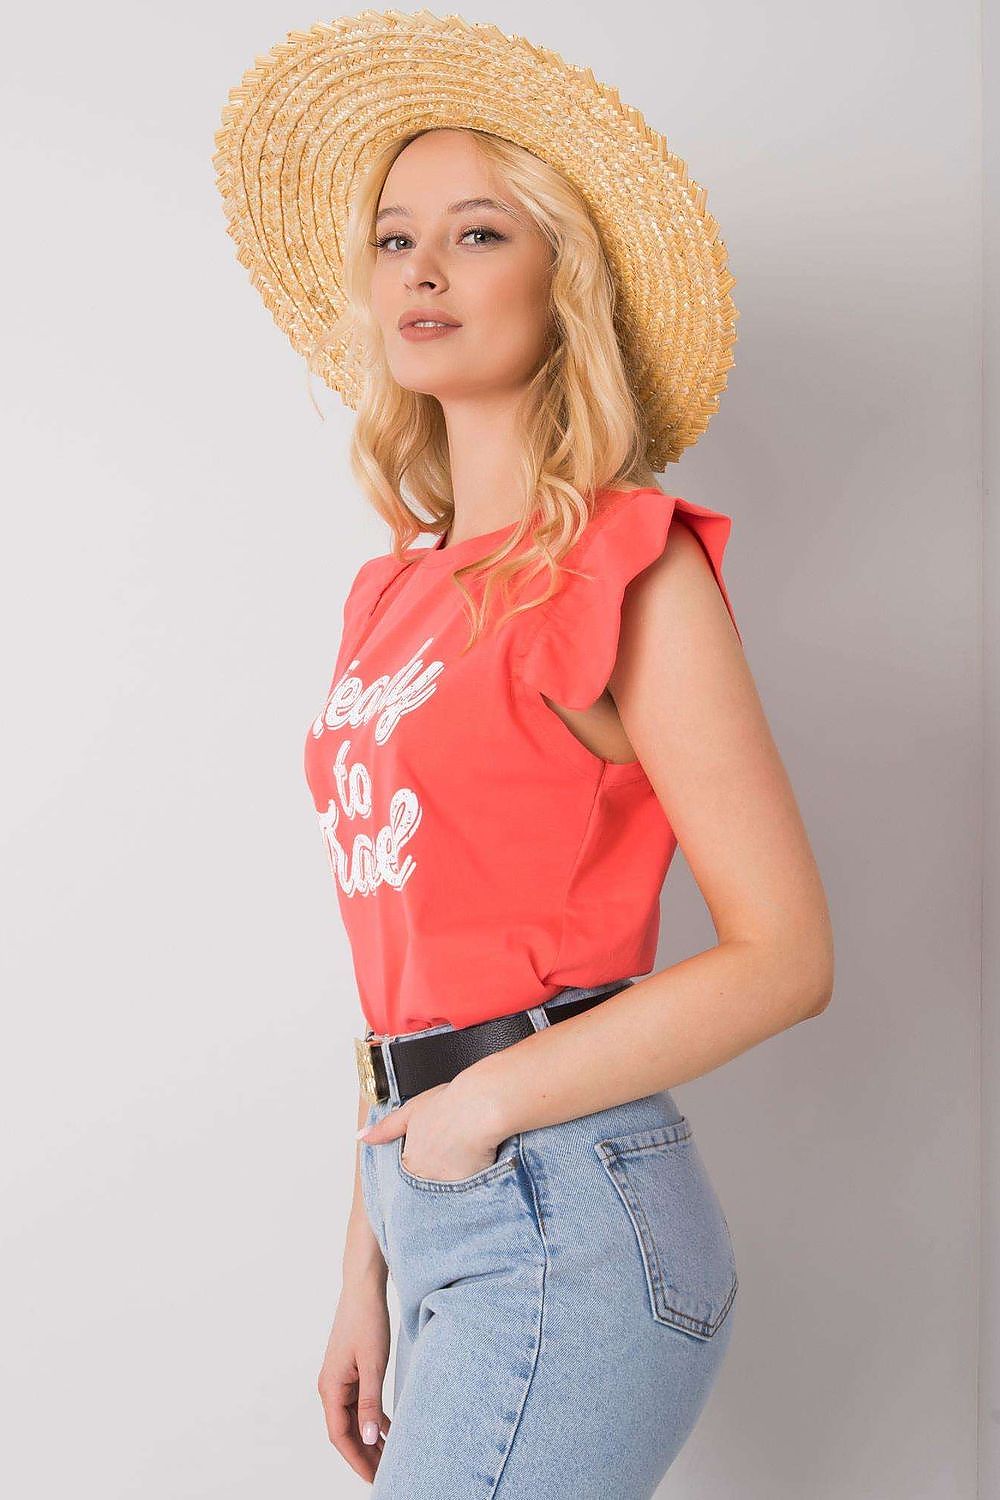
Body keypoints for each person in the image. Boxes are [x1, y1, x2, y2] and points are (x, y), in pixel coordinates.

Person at [214, 14, 834, 1496]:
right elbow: (412, 967)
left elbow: (785, 953)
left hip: (567, 1206)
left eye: (477, 233)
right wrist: (367, 1265)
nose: (421, 271)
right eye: (393, 238)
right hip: (438, 1202)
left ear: (563, 285)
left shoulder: (631, 565)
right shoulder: (394, 595)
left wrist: (482, 1110)